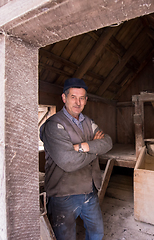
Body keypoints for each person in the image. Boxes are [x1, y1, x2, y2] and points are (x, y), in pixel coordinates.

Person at [40, 78, 113, 240]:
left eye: (81, 98)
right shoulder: (54, 125)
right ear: (64, 98)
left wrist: (82, 147)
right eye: (73, 97)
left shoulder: (88, 122)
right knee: (66, 238)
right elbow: (68, 162)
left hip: (89, 191)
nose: (77, 102)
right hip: (64, 194)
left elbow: (107, 142)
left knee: (97, 233)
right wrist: (95, 149)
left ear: (86, 100)